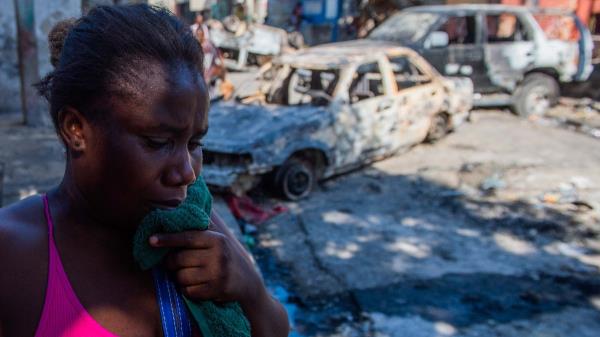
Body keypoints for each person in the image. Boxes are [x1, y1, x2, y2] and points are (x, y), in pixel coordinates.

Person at [0, 4, 289, 337]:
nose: (186, 173)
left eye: (194, 144)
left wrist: (248, 288)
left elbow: (275, 329)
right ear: (76, 129)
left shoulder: (189, 223)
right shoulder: (12, 255)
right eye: (157, 142)